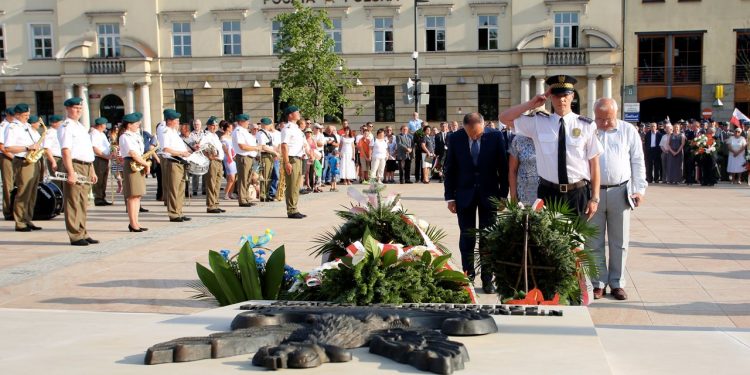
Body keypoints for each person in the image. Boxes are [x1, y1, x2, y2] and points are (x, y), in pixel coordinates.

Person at [499, 75, 602, 219]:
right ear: (551, 98)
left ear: (572, 96)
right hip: (548, 192)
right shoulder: (538, 123)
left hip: (577, 192)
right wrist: (531, 104)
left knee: (576, 240)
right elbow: (504, 118)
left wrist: (595, 197)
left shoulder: (586, 125)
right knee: (547, 240)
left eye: (565, 95)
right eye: (557, 95)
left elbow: (594, 164)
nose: (561, 100)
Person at [585, 98, 647, 301]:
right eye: (600, 118)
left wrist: (639, 190)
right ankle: (598, 283)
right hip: (592, 193)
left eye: (608, 119)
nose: (603, 123)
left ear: (616, 113)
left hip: (620, 191)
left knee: (619, 241)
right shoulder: (588, 129)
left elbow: (637, 160)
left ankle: (617, 283)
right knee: (593, 241)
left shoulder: (628, 130)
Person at [443, 112, 509, 294]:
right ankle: (468, 277)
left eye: (478, 134)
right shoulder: (455, 138)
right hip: (464, 195)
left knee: (488, 238)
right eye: (470, 134)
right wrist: (450, 197)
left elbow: (503, 167)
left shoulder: (495, 136)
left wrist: (503, 194)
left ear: (484, 126)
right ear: (464, 127)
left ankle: (488, 279)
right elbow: (450, 169)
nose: (474, 137)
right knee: (467, 237)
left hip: (489, 194)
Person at [58, 98, 99, 245]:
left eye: (80, 108)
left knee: (83, 201)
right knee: (73, 201)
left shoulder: (81, 127)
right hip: (74, 165)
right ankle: (75, 235)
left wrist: (92, 170)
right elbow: (66, 151)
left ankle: (83, 231)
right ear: (68, 109)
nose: (78, 111)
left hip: (86, 165)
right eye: (75, 108)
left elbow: (87, 151)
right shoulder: (66, 127)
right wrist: (70, 172)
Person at [4, 105, 44, 232]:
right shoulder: (12, 127)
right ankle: (20, 222)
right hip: (23, 161)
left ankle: (27, 219)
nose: (27, 116)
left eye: (28, 114)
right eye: (25, 115)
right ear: (17, 114)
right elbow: (8, 148)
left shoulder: (26, 126)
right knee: (23, 192)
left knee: (32, 192)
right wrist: (27, 148)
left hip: (33, 160)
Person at [118, 112, 150, 232]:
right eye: (136, 123)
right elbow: (132, 153)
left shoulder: (134, 135)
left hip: (138, 164)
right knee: (132, 196)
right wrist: (145, 163)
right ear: (129, 124)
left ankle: (136, 222)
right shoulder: (125, 136)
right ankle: (133, 223)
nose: (138, 125)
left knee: (137, 195)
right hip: (132, 164)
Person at [160, 109, 192, 222]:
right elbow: (166, 149)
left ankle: (179, 211)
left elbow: (179, 148)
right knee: (173, 189)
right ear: (169, 121)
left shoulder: (174, 132)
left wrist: (189, 150)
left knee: (180, 189)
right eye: (176, 120)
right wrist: (182, 153)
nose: (178, 122)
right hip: (173, 162)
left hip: (181, 162)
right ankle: (173, 213)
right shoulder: (166, 132)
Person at [280, 105, 307, 219]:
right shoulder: (287, 129)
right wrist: (286, 162)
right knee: (291, 185)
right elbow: (284, 146)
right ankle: (291, 210)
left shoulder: (296, 128)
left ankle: (294, 208)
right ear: (290, 115)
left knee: (296, 185)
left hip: (298, 158)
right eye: (296, 112)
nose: (299, 113)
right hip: (291, 158)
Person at [232, 114, 259, 207]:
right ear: (240, 122)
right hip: (243, 157)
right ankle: (242, 200)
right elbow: (242, 146)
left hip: (249, 157)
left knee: (247, 179)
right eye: (246, 121)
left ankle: (246, 198)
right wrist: (255, 148)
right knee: (243, 179)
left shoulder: (244, 131)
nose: (248, 123)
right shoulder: (238, 130)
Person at [201, 117, 225, 213]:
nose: (214, 127)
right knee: (211, 183)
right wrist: (208, 156)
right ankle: (211, 205)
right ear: (208, 126)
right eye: (212, 125)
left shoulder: (215, 135)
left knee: (217, 183)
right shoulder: (206, 136)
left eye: (215, 125)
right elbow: (201, 147)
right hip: (212, 161)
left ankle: (215, 203)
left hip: (219, 161)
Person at [508, 134, 539, 205]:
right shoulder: (517, 140)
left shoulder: (548, 138)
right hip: (524, 195)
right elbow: (512, 170)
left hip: (547, 193)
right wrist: (513, 197)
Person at [90, 117, 112, 206]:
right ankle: (98, 198)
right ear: (101, 125)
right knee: (99, 179)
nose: (105, 126)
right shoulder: (94, 134)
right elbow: (94, 148)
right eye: (104, 124)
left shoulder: (101, 134)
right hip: (98, 158)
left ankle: (102, 197)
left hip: (104, 158)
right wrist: (105, 156)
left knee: (104, 179)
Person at [0, 107, 16, 220]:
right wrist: (14, 158)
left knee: (15, 184)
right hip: (7, 157)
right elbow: (2, 146)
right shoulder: (3, 126)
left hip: (15, 157)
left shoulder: (13, 126)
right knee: (8, 185)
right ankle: (8, 211)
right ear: (8, 116)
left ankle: (15, 209)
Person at [257, 117, 277, 202]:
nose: (271, 126)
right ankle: (262, 194)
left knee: (268, 176)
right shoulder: (261, 134)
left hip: (270, 155)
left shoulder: (267, 133)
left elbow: (271, 145)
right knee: (264, 175)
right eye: (270, 124)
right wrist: (275, 153)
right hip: (265, 155)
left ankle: (266, 193)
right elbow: (263, 146)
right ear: (266, 125)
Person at [43, 114, 64, 191]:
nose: (62, 124)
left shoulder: (58, 132)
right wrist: (53, 161)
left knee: (62, 181)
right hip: (55, 158)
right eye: (60, 122)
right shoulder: (50, 132)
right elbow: (46, 148)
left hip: (61, 158)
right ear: (54, 123)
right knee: (57, 181)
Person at [219, 121, 237, 200]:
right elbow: (224, 148)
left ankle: (231, 193)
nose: (232, 128)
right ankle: (226, 194)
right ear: (227, 128)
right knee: (231, 177)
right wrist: (230, 156)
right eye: (230, 127)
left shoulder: (232, 136)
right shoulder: (223, 137)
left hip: (234, 157)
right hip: (228, 158)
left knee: (234, 177)